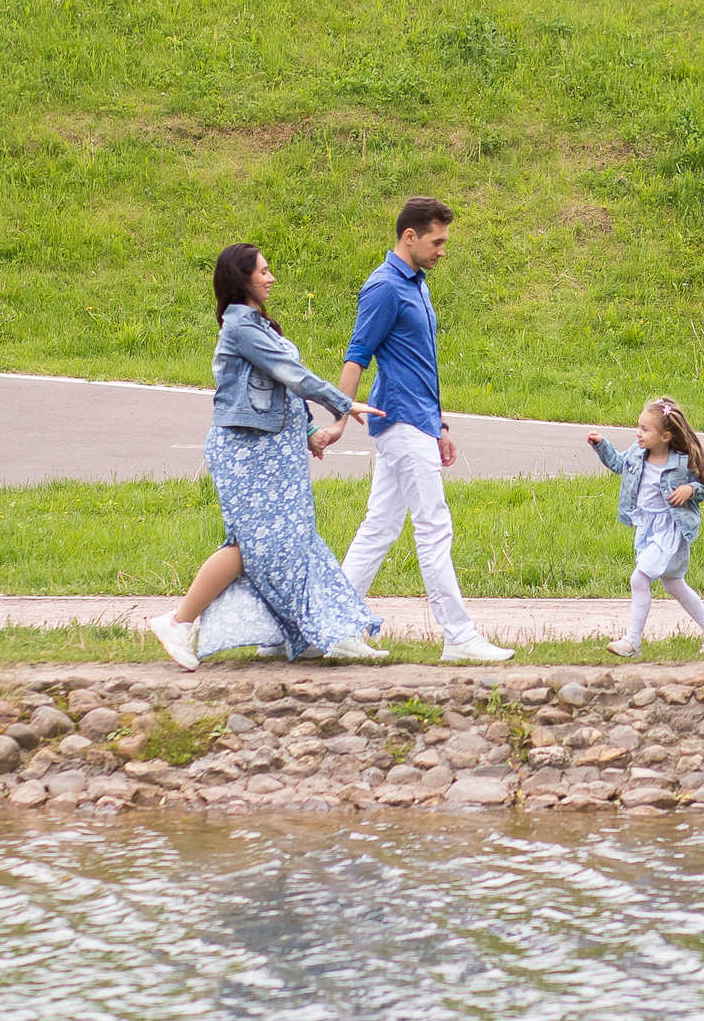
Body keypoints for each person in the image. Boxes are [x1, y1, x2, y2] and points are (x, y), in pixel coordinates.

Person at [148, 244, 388, 670]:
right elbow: (290, 375)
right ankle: (178, 622)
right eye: (263, 272)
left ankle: (311, 632)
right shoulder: (241, 328)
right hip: (246, 451)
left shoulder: (258, 325)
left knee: (294, 540)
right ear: (241, 279)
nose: (271, 278)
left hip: (274, 450)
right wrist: (343, 403)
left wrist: (310, 431)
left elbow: (275, 391)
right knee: (251, 545)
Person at [337, 196, 516, 666]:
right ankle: (458, 636)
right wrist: (338, 416)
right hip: (398, 421)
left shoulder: (417, 283)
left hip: (417, 420)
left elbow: (420, 362)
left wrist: (439, 423)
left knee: (379, 527)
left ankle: (335, 628)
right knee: (433, 527)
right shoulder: (383, 287)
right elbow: (358, 354)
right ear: (409, 237)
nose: (442, 251)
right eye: (437, 241)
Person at [587, 396, 704, 658]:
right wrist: (601, 446)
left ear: (665, 436)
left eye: (645, 429)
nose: (638, 433)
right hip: (647, 528)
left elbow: (703, 486)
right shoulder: (637, 453)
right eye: (639, 426)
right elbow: (619, 465)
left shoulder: (682, 461)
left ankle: (632, 642)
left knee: (639, 578)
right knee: (674, 584)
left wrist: (690, 489)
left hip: (671, 529)